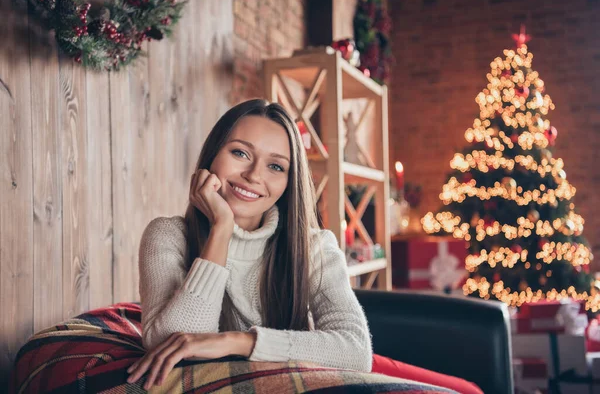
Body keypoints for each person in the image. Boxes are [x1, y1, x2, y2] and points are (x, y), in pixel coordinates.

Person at [125, 99, 482, 394]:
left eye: (276, 166)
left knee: (469, 391)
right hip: (294, 368)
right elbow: (172, 347)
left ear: (288, 180)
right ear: (211, 157)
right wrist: (221, 229)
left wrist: (238, 342)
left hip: (320, 358)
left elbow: (356, 352)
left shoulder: (314, 246)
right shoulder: (168, 235)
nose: (254, 177)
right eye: (240, 153)